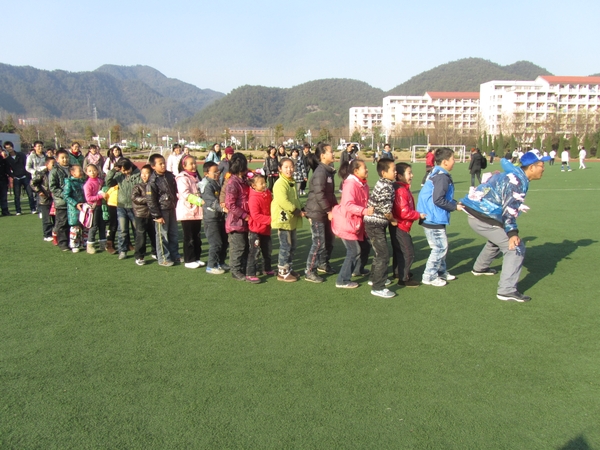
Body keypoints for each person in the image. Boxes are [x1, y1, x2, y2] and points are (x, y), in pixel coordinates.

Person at [460, 150, 550, 302]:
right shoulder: (517, 182)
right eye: (542, 165)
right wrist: (512, 233)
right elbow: (509, 210)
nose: (544, 168)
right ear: (531, 167)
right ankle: (506, 290)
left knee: (497, 239)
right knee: (515, 248)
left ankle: (480, 268)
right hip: (483, 217)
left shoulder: (515, 174)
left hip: (478, 214)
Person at [416, 147, 464, 287]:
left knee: (442, 246)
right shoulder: (441, 177)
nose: (454, 161)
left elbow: (441, 197)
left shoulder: (437, 173)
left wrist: (455, 203)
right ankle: (429, 276)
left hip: (433, 216)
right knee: (440, 247)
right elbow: (438, 199)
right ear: (445, 162)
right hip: (432, 217)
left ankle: (441, 271)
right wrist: (454, 207)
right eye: (453, 159)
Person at [331, 159, 373, 288]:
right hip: (346, 223)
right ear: (356, 171)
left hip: (356, 223)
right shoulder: (350, 184)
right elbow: (348, 205)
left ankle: (358, 269)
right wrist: (365, 211)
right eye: (364, 168)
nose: (367, 170)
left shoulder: (363, 184)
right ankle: (342, 280)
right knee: (354, 250)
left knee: (365, 246)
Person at [304, 142, 338, 281]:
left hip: (325, 212)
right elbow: (319, 194)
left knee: (329, 240)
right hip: (317, 213)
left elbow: (330, 194)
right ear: (323, 155)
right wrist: (328, 210)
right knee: (319, 243)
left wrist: (336, 208)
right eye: (331, 151)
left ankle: (323, 264)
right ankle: (309, 271)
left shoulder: (328, 171)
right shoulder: (320, 172)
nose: (333, 154)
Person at [364, 158, 397, 298]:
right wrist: (393, 221)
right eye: (393, 170)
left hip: (374, 223)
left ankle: (374, 278)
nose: (395, 172)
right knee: (383, 254)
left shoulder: (384, 183)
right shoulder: (386, 187)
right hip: (375, 224)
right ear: (384, 173)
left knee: (379, 253)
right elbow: (386, 210)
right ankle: (378, 287)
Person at [390, 163, 425, 287]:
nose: (412, 175)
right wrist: (418, 215)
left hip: (399, 225)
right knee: (408, 252)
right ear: (400, 176)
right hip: (400, 225)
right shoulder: (400, 190)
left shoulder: (402, 188)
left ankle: (398, 273)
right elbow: (403, 212)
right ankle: (404, 278)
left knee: (399, 250)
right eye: (409, 173)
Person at [271, 157, 303, 282]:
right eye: (286, 167)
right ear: (280, 169)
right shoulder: (280, 183)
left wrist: (301, 208)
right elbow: (283, 201)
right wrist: (297, 211)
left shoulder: (291, 182)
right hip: (283, 219)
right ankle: (282, 272)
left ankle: (288, 268)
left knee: (292, 245)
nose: (289, 169)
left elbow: (295, 199)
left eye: (291, 167)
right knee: (285, 245)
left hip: (291, 219)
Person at [147, 153, 179, 267]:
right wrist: (157, 215)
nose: (163, 165)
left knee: (173, 233)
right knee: (162, 235)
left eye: (164, 163)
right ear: (153, 166)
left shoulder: (170, 176)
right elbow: (151, 200)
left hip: (172, 208)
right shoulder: (153, 181)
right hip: (161, 210)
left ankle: (175, 255)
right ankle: (164, 258)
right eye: (160, 164)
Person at [106, 159, 140, 260]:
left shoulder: (138, 175)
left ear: (131, 167)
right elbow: (108, 182)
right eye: (123, 170)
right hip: (121, 207)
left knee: (137, 229)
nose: (125, 172)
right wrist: (113, 171)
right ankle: (123, 250)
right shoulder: (119, 176)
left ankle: (139, 249)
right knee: (122, 230)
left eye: (127, 170)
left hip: (134, 206)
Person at [175, 155, 205, 269]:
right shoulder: (182, 178)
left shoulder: (196, 176)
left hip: (196, 211)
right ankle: (189, 259)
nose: (194, 166)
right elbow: (185, 194)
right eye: (191, 164)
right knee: (189, 237)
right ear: (184, 166)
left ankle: (196, 257)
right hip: (187, 211)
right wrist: (200, 201)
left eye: (194, 163)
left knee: (197, 236)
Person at [225, 153, 251, 281]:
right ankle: (235, 270)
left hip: (246, 221)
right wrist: (244, 215)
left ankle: (244, 268)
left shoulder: (244, 180)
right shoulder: (233, 183)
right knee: (238, 247)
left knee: (246, 246)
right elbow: (230, 204)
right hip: (236, 222)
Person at [200, 161, 228, 274]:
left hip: (220, 217)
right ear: (206, 173)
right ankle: (211, 265)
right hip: (211, 218)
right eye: (214, 172)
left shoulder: (217, 182)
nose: (218, 174)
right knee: (216, 243)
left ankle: (220, 262)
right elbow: (211, 201)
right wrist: (223, 208)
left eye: (218, 171)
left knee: (224, 241)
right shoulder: (207, 185)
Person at [246, 173, 273, 283]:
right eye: (261, 183)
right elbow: (255, 215)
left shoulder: (267, 193)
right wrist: (271, 219)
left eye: (264, 182)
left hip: (266, 229)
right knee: (254, 252)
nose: (264, 185)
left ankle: (267, 268)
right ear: (253, 186)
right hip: (256, 229)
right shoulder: (253, 198)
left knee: (267, 250)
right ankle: (250, 273)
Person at [131, 165, 157, 265]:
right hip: (140, 214)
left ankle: (155, 252)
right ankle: (139, 256)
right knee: (141, 236)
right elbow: (135, 198)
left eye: (147, 173)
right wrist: (149, 199)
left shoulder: (154, 185)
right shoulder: (138, 186)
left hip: (153, 214)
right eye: (142, 173)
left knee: (154, 234)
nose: (144, 175)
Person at [5, 141, 37, 215]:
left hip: (25, 176)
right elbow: (7, 170)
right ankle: (18, 210)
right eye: (7, 148)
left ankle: (33, 208)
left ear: (12, 147)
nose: (9, 149)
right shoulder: (7, 159)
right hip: (16, 178)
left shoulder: (21, 155)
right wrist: (13, 176)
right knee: (17, 195)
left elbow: (27, 164)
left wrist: (27, 175)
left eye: (10, 147)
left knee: (30, 194)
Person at [49, 149, 72, 250]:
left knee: (72, 222)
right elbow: (53, 187)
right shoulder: (54, 171)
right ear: (57, 159)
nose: (65, 159)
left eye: (66, 157)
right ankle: (63, 243)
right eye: (62, 158)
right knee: (62, 222)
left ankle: (72, 241)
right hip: (61, 202)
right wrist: (65, 195)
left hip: (72, 201)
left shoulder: (72, 168)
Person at [83, 164, 108, 254]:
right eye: (90, 171)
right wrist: (100, 196)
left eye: (94, 170)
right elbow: (88, 198)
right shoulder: (88, 184)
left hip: (102, 207)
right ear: (86, 173)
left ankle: (103, 244)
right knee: (93, 226)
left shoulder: (100, 181)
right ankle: (90, 245)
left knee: (102, 225)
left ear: (97, 171)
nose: (92, 172)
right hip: (94, 207)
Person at [30, 156, 56, 241]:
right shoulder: (42, 174)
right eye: (53, 164)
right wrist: (39, 191)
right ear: (47, 164)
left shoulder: (57, 172)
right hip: (45, 200)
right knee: (47, 219)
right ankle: (47, 235)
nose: (54, 165)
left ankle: (56, 233)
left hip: (55, 199)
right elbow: (32, 183)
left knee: (56, 218)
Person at [63, 165, 86, 252]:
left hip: (84, 207)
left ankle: (85, 243)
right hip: (74, 209)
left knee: (85, 226)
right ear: (73, 173)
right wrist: (75, 204)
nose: (81, 172)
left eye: (81, 170)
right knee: (75, 227)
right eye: (79, 171)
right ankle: (74, 245)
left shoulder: (83, 182)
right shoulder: (69, 182)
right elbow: (66, 196)